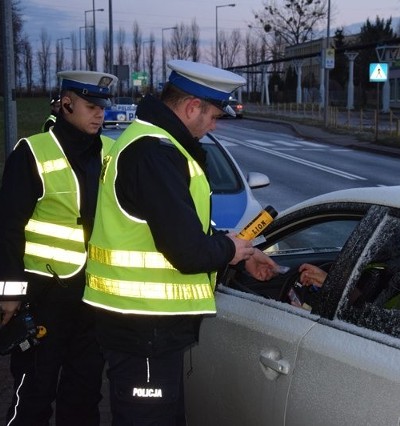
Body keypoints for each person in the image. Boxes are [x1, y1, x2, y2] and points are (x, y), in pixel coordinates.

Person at [83, 59, 279, 425]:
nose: (214, 125)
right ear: (192, 107)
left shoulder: (153, 144)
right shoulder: (155, 152)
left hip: (143, 326)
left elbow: (176, 230)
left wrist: (239, 252)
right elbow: (187, 252)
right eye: (214, 116)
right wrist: (230, 250)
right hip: (143, 328)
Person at [0, 70, 118, 425]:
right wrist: (8, 295)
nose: (99, 114)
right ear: (66, 104)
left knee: (84, 395)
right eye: (91, 106)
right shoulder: (33, 152)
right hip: (44, 296)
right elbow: (6, 227)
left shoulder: (110, 153)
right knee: (33, 394)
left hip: (93, 298)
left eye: (102, 107)